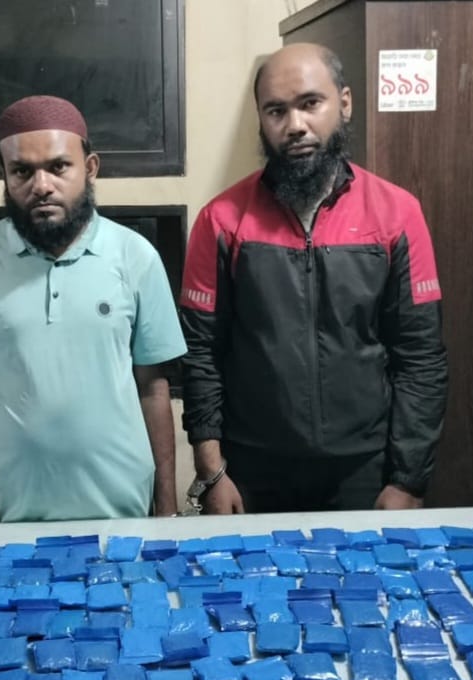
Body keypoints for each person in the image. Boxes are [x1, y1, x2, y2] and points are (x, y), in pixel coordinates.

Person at [179, 43, 448, 515]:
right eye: (276, 111)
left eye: (310, 103)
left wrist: (408, 480)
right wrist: (211, 471)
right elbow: (200, 354)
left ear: (344, 103)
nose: (295, 125)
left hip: (364, 470)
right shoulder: (220, 221)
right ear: (261, 120)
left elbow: (420, 357)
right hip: (251, 471)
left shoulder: (398, 214)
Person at [0, 95, 186, 524]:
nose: (42, 185)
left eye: (58, 167)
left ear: (90, 168)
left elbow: (153, 388)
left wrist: (166, 508)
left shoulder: (135, 256)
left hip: (122, 507)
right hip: (11, 507)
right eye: (22, 171)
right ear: (4, 175)